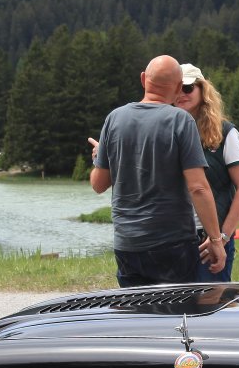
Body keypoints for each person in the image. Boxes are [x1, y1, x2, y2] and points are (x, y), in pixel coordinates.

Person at [88, 55, 226, 287]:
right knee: (177, 308)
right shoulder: (180, 121)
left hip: (127, 244)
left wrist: (99, 157)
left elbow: (98, 184)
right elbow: (198, 187)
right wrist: (215, 240)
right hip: (173, 243)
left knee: (137, 309)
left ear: (143, 79)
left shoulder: (115, 119)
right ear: (178, 87)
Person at [174, 62, 239, 282]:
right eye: (176, 88)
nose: (181, 94)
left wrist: (223, 237)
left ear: (203, 90)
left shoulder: (225, 132)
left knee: (212, 301)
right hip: (171, 238)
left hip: (209, 239)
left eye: (187, 88)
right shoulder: (165, 131)